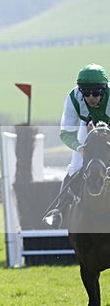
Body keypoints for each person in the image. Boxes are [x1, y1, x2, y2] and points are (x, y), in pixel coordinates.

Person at [43, 63, 110, 228]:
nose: (91, 98)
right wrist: (80, 148)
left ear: (104, 91)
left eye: (96, 93)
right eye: (86, 93)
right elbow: (66, 133)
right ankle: (59, 211)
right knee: (75, 166)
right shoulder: (73, 98)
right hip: (86, 127)